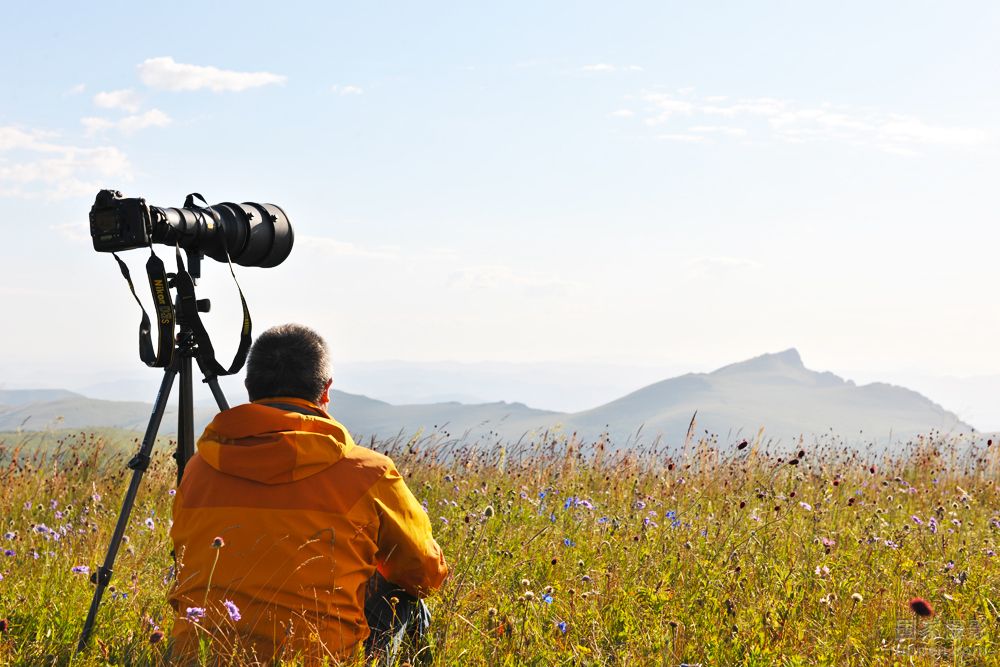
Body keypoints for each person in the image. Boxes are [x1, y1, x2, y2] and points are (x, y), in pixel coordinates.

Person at [168, 324, 448, 664]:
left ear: (249, 389)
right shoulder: (369, 472)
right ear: (326, 391)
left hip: (199, 658)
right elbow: (424, 575)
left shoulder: (199, 469)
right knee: (405, 598)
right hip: (316, 658)